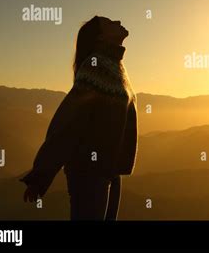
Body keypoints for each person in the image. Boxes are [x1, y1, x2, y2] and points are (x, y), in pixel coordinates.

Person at [20, 15, 138, 220]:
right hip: (88, 174)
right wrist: (41, 175)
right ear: (101, 38)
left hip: (107, 170)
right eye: (109, 22)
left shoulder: (115, 66)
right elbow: (68, 122)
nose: (117, 22)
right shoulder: (95, 69)